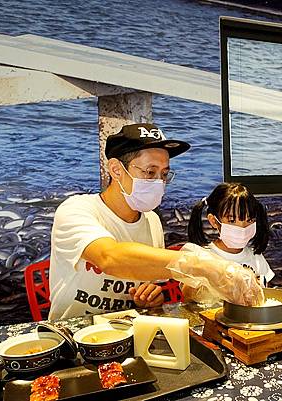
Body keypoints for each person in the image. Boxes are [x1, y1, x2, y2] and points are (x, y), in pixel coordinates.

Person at [48, 123, 264, 320]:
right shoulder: (76, 210)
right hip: (73, 332)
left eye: (164, 174)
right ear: (115, 169)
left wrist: (150, 299)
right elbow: (109, 257)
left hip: (126, 330)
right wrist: (203, 264)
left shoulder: (152, 221)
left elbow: (146, 284)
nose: (159, 182)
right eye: (150, 172)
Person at [187, 183, 274, 288]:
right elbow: (188, 293)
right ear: (214, 221)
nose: (242, 227)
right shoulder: (202, 256)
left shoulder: (256, 257)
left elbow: (267, 291)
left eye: (250, 220)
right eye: (232, 221)